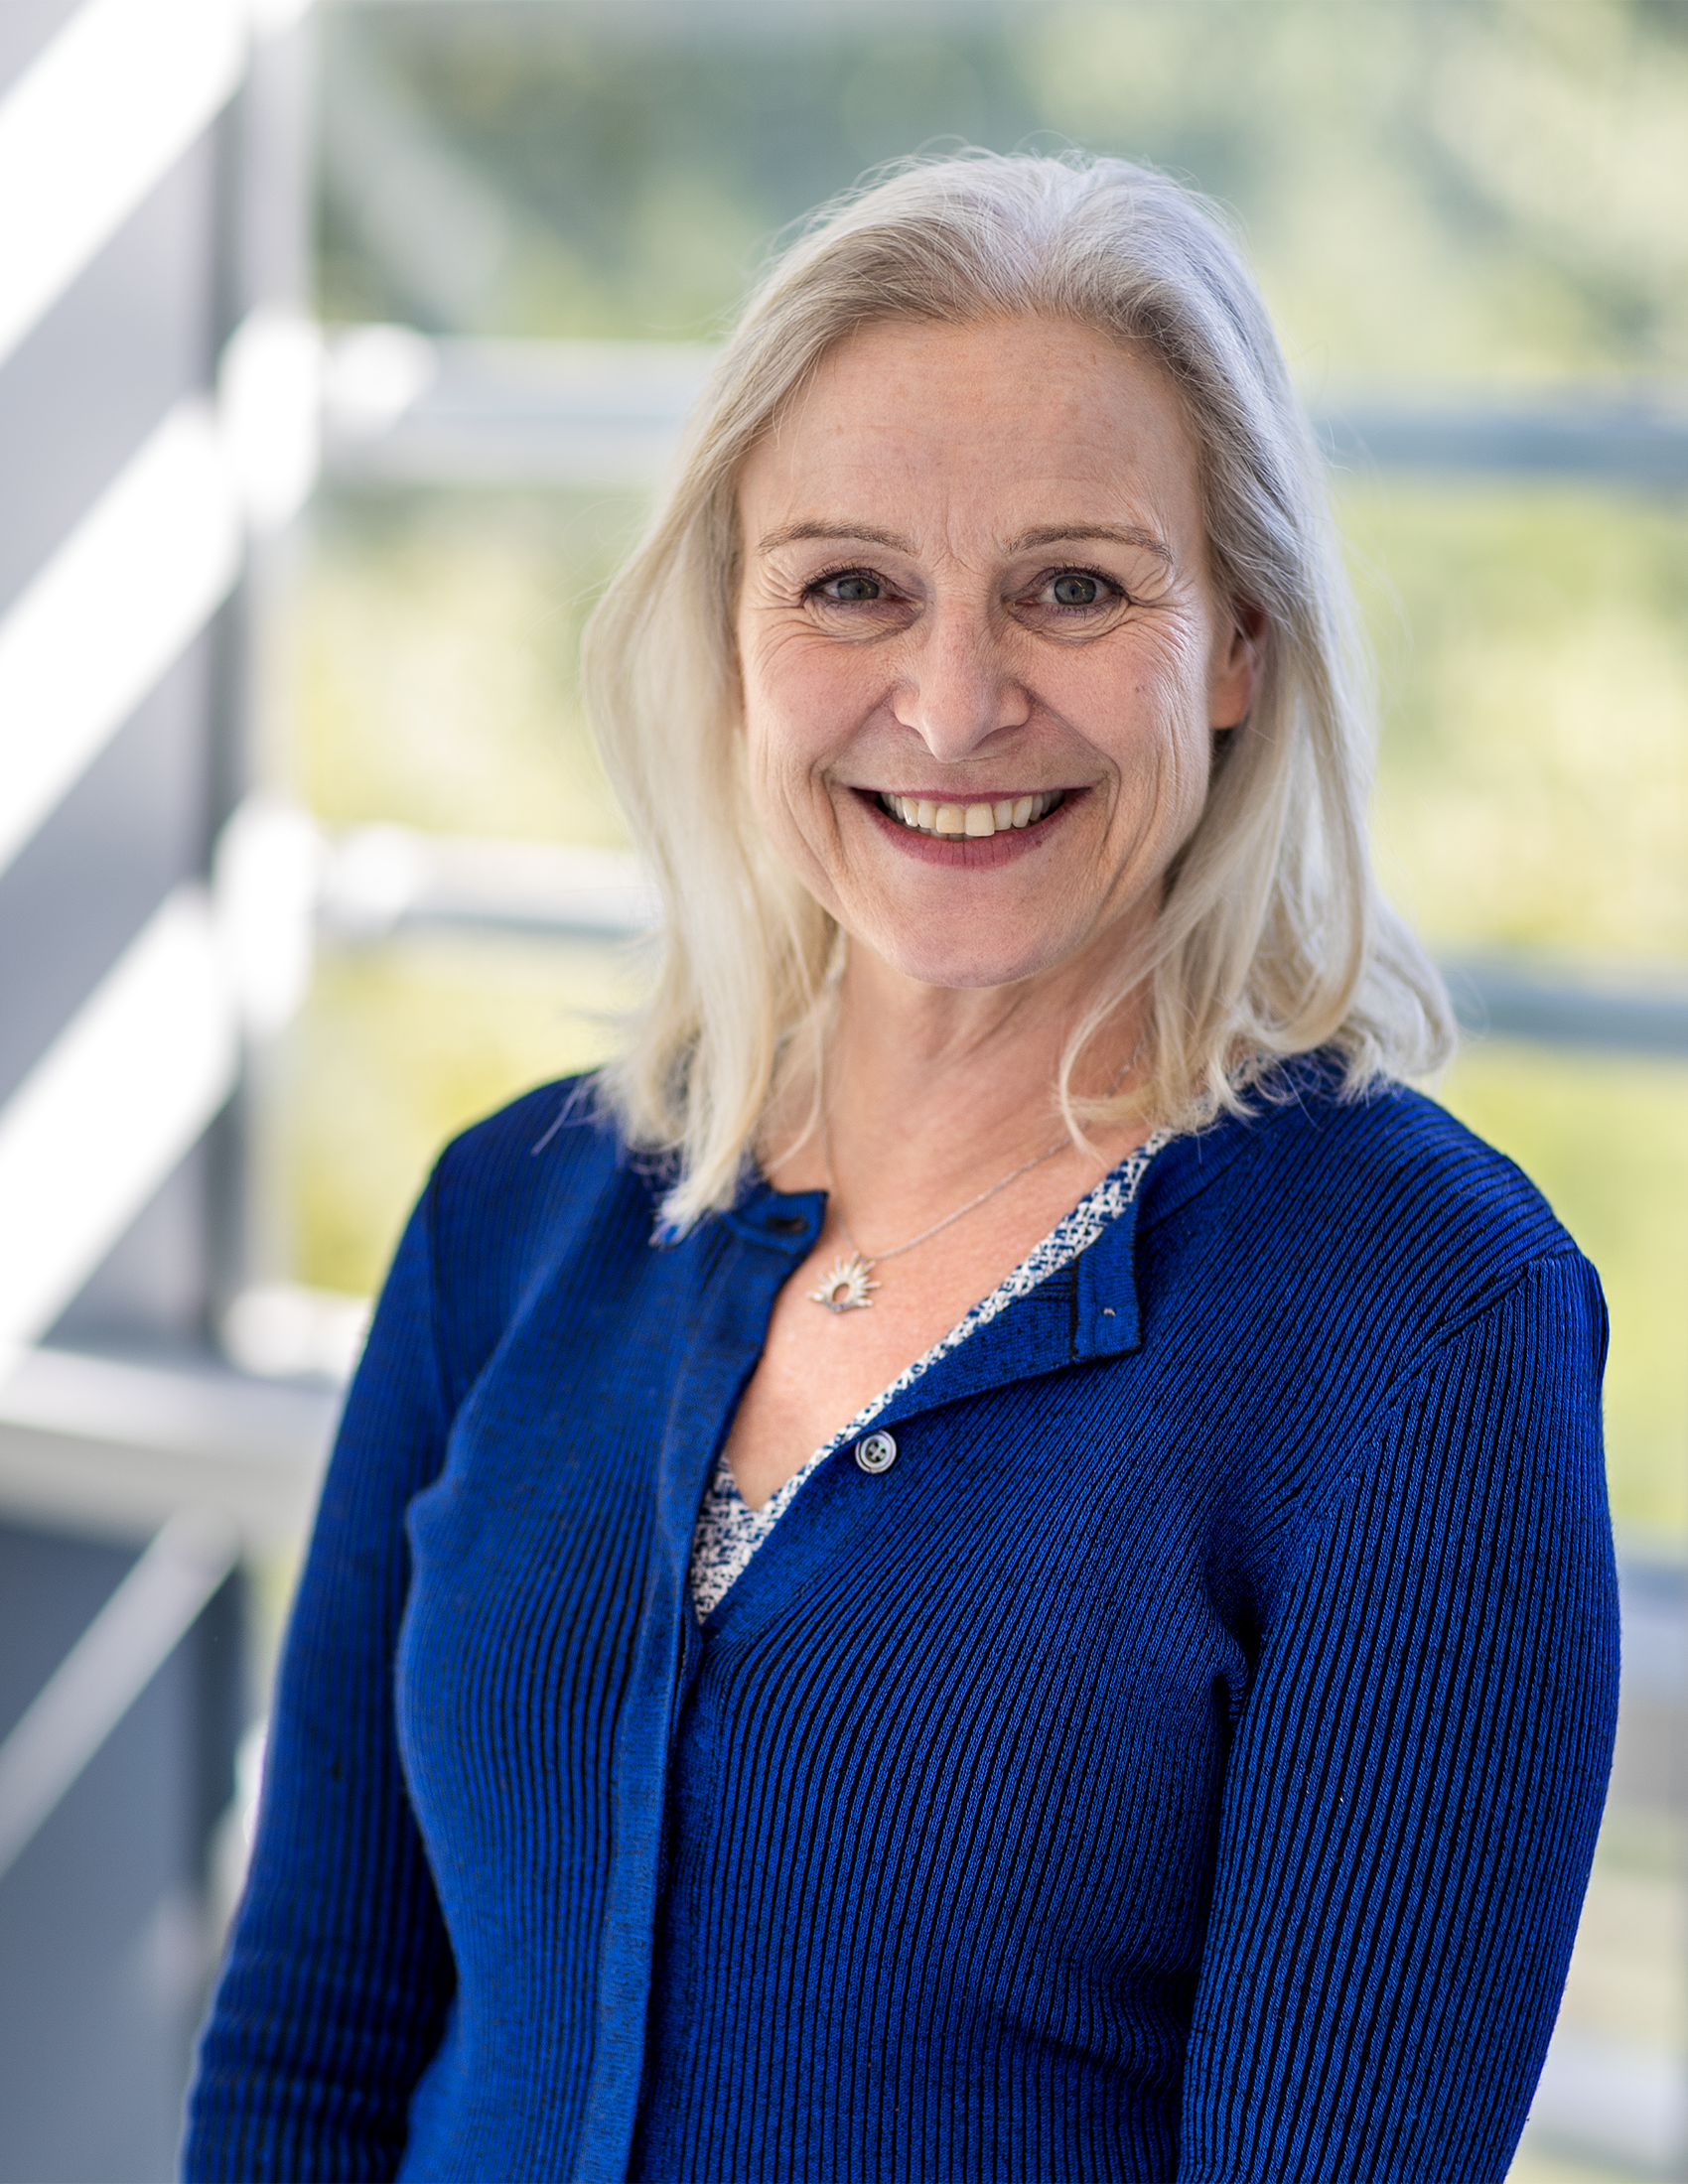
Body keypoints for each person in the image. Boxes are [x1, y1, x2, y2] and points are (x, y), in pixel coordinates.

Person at [184, 153, 1618, 2183]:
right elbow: (310, 2052)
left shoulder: (1421, 1320)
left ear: (1238, 640)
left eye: (1073, 587)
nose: (952, 707)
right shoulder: (509, 1219)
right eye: (851, 585)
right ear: (734, 631)